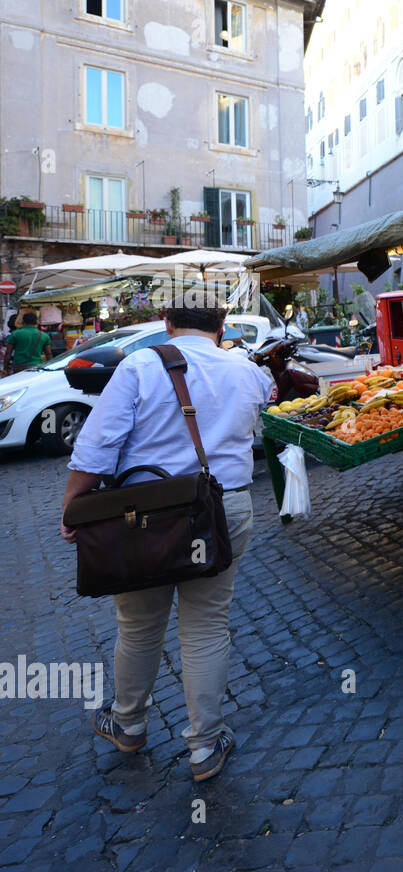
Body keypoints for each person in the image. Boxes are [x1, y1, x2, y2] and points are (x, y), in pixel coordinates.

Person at [60, 295, 271, 780]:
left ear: (166, 323)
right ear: (221, 325)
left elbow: (95, 448)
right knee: (207, 626)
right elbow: (260, 409)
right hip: (223, 506)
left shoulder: (140, 365)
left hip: (145, 513)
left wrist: (73, 507)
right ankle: (204, 746)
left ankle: (129, 724)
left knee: (137, 626)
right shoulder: (246, 370)